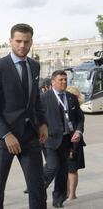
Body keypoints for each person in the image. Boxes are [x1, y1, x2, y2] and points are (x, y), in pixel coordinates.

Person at [0, 23, 48, 209]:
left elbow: (35, 99)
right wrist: (5, 134)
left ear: (31, 42)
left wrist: (42, 122)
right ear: (10, 41)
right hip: (4, 137)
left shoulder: (34, 66)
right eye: (18, 41)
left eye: (26, 42)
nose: (22, 45)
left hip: (30, 134)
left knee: (37, 186)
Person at [41, 72, 84, 208]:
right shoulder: (44, 98)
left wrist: (78, 131)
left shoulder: (71, 97)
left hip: (67, 140)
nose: (64, 82)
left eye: (65, 79)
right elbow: (37, 117)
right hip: (50, 139)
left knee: (63, 171)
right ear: (53, 82)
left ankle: (58, 199)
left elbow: (79, 118)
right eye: (61, 80)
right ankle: (38, 186)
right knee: (53, 166)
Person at [65, 85, 86, 201]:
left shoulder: (77, 111)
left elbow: (79, 124)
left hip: (74, 143)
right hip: (66, 142)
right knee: (67, 169)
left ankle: (72, 194)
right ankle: (68, 193)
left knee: (72, 169)